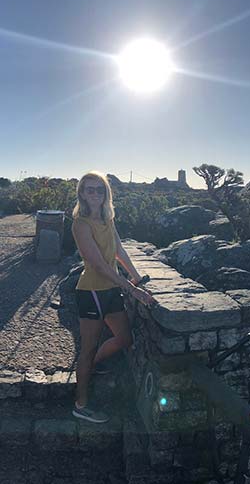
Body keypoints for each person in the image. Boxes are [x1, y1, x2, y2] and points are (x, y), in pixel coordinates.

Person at [71, 171, 156, 423]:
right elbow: (98, 265)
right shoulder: (80, 224)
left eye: (99, 189)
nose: (94, 194)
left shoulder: (108, 218)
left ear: (106, 193)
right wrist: (132, 290)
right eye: (89, 189)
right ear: (82, 194)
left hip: (110, 290)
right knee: (87, 349)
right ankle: (81, 404)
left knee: (124, 338)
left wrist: (137, 278)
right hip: (92, 292)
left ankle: (86, 371)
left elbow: (119, 250)